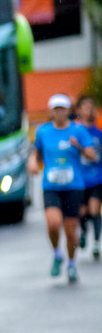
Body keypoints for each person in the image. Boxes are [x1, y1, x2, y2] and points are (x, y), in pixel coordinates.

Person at [33, 94, 96, 282]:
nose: (59, 113)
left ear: (68, 111)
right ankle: (57, 254)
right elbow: (36, 154)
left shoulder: (79, 131)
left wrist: (80, 148)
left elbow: (93, 156)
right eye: (56, 109)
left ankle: (71, 264)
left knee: (70, 231)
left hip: (73, 186)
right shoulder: (43, 132)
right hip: (51, 186)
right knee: (53, 223)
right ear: (51, 111)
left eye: (63, 109)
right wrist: (32, 164)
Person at [74, 95, 102, 260]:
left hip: (97, 178)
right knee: (82, 212)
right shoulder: (75, 132)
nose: (89, 110)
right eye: (85, 107)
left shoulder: (98, 133)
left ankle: (97, 243)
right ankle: (83, 231)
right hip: (79, 179)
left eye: (92, 107)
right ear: (79, 111)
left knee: (94, 209)